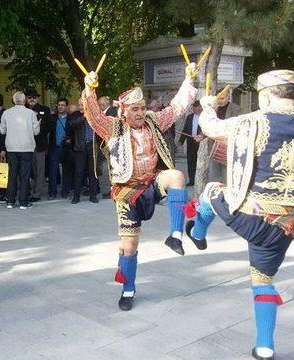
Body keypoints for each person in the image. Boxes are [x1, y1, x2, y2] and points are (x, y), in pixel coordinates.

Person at [187, 70, 294, 360]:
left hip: (251, 217)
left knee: (212, 190)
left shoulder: (254, 121)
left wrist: (208, 104)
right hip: (286, 225)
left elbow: (210, 127)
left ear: (266, 93)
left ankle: (197, 232)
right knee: (262, 280)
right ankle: (265, 348)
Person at [80, 62, 198, 311]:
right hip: (127, 191)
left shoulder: (154, 121)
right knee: (129, 245)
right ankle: (128, 288)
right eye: (135, 109)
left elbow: (177, 107)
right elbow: (92, 115)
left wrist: (189, 79)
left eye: (143, 108)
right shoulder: (112, 126)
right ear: (124, 111)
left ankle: (175, 236)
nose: (141, 113)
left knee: (177, 176)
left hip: (152, 181)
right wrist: (89, 88)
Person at [195, 87, 241, 195]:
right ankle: (214, 198)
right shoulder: (213, 109)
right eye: (218, 99)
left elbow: (227, 128)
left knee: (227, 177)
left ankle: (227, 198)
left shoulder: (236, 109)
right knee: (214, 176)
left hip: (228, 149)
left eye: (223, 98)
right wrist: (202, 135)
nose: (220, 101)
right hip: (214, 148)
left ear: (228, 98)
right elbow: (210, 126)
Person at [0, 91, 40, 209]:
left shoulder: (6, 113)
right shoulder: (31, 113)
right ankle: (23, 202)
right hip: (27, 148)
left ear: (14, 101)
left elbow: (2, 131)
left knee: (12, 175)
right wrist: (38, 124)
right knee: (25, 175)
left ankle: (10, 201)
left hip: (11, 148)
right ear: (24, 101)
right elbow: (36, 132)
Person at [25, 88, 52, 202]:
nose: (32, 99)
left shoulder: (44, 109)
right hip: (25, 144)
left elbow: (47, 125)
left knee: (39, 170)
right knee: (25, 169)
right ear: (25, 98)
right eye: (29, 97)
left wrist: (36, 117)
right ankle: (25, 190)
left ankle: (36, 193)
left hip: (39, 144)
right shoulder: (22, 109)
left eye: (34, 97)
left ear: (38, 98)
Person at [67, 110, 99, 204]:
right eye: (80, 104)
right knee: (78, 172)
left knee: (93, 172)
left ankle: (93, 195)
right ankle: (76, 196)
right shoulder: (75, 115)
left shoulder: (94, 113)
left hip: (92, 146)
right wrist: (83, 117)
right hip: (80, 146)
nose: (81, 106)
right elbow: (71, 125)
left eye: (83, 104)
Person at [47, 98, 73, 200]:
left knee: (66, 171)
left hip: (66, 148)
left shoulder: (71, 118)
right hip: (54, 148)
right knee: (52, 171)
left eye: (62, 105)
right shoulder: (52, 118)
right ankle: (52, 193)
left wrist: (71, 139)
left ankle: (65, 192)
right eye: (59, 105)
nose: (60, 107)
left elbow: (74, 132)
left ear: (66, 106)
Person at [179, 101, 205, 186]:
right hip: (191, 142)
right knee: (191, 162)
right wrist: (181, 141)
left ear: (201, 107)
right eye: (193, 107)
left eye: (196, 107)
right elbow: (185, 129)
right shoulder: (189, 117)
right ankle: (191, 181)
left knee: (200, 162)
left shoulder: (205, 117)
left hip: (201, 142)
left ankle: (200, 181)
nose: (194, 109)